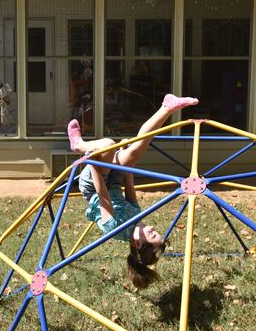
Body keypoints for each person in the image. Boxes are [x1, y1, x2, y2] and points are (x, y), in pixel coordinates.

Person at [68, 94, 199, 288]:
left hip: (94, 184)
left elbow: (102, 195)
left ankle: (78, 145)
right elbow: (129, 190)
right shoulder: (138, 218)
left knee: (108, 145)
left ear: (138, 244)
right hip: (113, 182)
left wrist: (93, 164)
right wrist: (130, 163)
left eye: (153, 235)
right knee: (137, 149)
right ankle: (167, 107)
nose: (155, 229)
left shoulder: (115, 229)